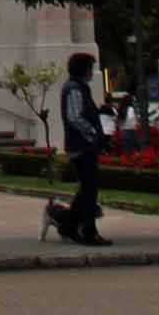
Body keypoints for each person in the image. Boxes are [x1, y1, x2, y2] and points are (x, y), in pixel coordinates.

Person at [43, 50, 108, 247]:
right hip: (81, 145)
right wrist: (93, 134)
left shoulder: (78, 87)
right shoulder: (74, 88)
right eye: (90, 68)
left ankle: (69, 224)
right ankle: (87, 230)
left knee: (87, 189)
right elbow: (74, 116)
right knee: (89, 190)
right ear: (83, 69)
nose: (92, 72)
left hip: (82, 145)